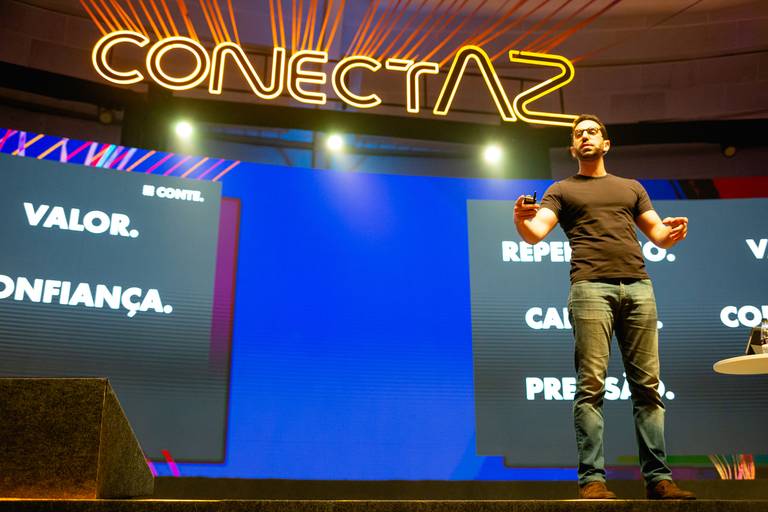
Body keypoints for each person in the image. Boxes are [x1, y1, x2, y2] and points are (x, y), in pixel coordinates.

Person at [513, 114, 696, 500]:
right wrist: (520, 219)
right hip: (590, 289)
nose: (585, 137)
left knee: (647, 388)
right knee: (590, 387)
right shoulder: (561, 190)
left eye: (592, 131)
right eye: (578, 134)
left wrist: (672, 232)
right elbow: (534, 234)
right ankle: (592, 481)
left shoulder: (631, 188)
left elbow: (659, 235)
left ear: (606, 143)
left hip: (639, 288)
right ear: (573, 147)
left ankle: (659, 480)